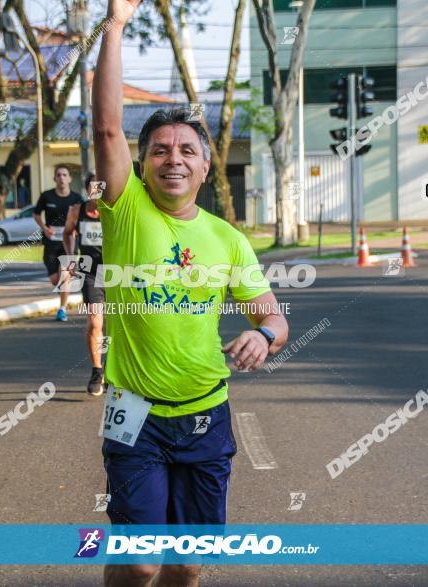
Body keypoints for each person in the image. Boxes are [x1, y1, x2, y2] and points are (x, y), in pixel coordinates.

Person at [93, 2, 289, 585]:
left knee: (188, 561)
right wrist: (116, 24)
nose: (172, 158)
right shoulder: (126, 211)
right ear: (143, 165)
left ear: (206, 168)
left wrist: (264, 335)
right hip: (133, 413)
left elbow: (274, 317)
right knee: (140, 560)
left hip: (206, 416)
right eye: (159, 150)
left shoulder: (227, 239)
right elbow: (106, 127)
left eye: (186, 151)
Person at [63, 173, 106, 395]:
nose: (97, 192)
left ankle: (115, 368)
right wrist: (70, 258)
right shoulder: (76, 211)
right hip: (89, 270)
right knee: (95, 321)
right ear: (88, 189)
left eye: (101, 187)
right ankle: (97, 370)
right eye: (94, 188)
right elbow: (67, 234)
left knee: (117, 325)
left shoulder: (115, 211)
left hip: (117, 271)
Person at [33, 164, 80, 321]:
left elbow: (83, 218)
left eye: (64, 175)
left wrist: (76, 230)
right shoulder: (47, 196)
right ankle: (64, 295)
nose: (61, 178)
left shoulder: (76, 199)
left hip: (70, 242)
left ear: (70, 179)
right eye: (58, 175)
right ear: (55, 178)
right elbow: (36, 214)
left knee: (64, 275)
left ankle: (62, 309)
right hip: (51, 242)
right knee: (56, 279)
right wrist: (44, 228)